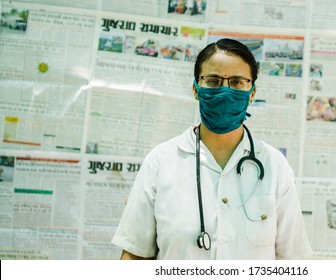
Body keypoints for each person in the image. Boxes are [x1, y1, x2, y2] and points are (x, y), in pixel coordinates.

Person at [111, 38, 312, 260]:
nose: (225, 91)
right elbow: (134, 256)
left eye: (237, 82)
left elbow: (294, 260)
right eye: (213, 81)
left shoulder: (275, 165)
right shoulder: (161, 161)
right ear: (196, 89)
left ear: (252, 93)